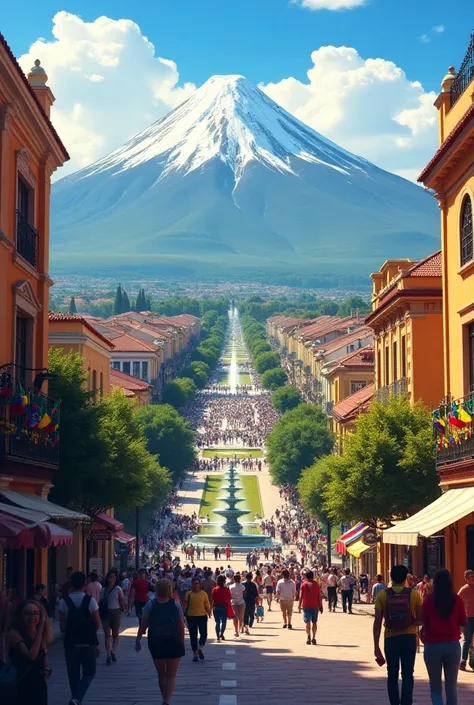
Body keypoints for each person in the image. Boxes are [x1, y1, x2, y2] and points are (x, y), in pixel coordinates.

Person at [374, 564, 423, 705]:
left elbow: (377, 622)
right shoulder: (414, 594)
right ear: (405, 577)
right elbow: (420, 619)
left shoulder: (382, 595)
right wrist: (410, 622)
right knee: (408, 674)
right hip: (408, 639)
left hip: (390, 639)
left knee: (392, 674)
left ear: (391, 578)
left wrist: (376, 646)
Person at [136, 579, 185, 705]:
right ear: (170, 589)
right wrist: (182, 640)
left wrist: (138, 639)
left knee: (161, 675)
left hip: (156, 641)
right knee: (172, 675)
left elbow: (144, 623)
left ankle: (164, 698)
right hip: (173, 641)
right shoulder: (175, 604)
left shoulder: (150, 604)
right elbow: (181, 625)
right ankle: (167, 701)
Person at [421, 568, 466, 705]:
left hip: (433, 644)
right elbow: (463, 621)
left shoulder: (429, 600)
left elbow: (423, 619)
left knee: (435, 686)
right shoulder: (457, 600)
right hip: (452, 645)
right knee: (451, 687)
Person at [59, 570, 100, 705]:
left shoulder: (64, 601)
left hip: (70, 643)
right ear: (85, 583)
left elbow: (62, 627)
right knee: (89, 673)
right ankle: (77, 698)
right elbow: (97, 623)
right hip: (88, 643)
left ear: (71, 583)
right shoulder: (90, 600)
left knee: (73, 675)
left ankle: (75, 698)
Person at [7, 600, 52, 705]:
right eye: (28, 613)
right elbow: (31, 655)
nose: (32, 617)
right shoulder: (15, 634)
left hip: (39, 683)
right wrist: (41, 626)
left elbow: (42, 656)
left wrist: (47, 668)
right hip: (22, 683)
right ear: (20, 615)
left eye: (36, 613)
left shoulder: (40, 633)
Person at [99, 570, 125, 665]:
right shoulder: (103, 589)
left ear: (116, 579)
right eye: (110, 576)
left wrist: (123, 608)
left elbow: (121, 601)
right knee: (107, 634)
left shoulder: (118, 589)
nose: (111, 578)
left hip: (115, 612)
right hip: (107, 612)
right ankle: (108, 653)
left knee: (115, 634)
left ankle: (112, 651)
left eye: (113, 577)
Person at [184, 578, 211, 662]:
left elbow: (207, 605)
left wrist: (209, 612)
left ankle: (200, 648)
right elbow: (185, 604)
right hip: (191, 616)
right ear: (191, 585)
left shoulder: (204, 594)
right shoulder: (188, 594)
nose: (195, 585)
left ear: (200, 585)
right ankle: (195, 654)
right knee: (193, 636)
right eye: (194, 584)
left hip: (202, 616)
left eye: (197, 583)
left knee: (204, 634)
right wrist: (182, 615)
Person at [298, 570, 323, 645]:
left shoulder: (303, 584)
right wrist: (321, 606)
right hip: (315, 606)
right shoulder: (317, 585)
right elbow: (319, 596)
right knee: (314, 622)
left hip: (306, 605)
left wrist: (299, 605)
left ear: (306, 576)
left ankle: (308, 636)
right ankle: (314, 637)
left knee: (307, 622)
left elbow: (300, 596)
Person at [458, 568, 474, 671]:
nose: (473, 578)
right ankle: (463, 661)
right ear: (466, 578)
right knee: (467, 639)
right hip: (468, 618)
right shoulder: (463, 589)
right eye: (471, 576)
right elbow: (457, 603)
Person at [211, 574, 232, 642]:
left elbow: (213, 599)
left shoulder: (214, 589)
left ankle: (217, 636)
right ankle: (221, 633)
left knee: (217, 622)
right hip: (224, 606)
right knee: (223, 621)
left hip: (216, 606)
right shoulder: (226, 589)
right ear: (224, 581)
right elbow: (229, 597)